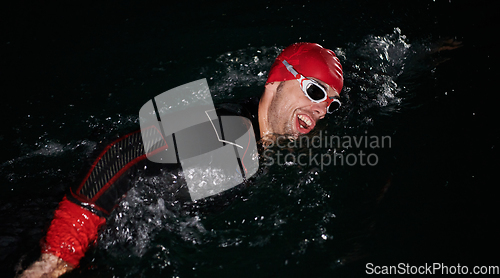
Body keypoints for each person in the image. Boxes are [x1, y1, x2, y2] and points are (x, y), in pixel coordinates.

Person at [17, 42, 344, 278]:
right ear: (276, 81)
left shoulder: (256, 134)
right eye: (314, 92)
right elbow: (123, 152)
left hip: (106, 233)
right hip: (50, 225)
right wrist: (58, 253)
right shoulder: (231, 132)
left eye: (331, 104)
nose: (320, 109)